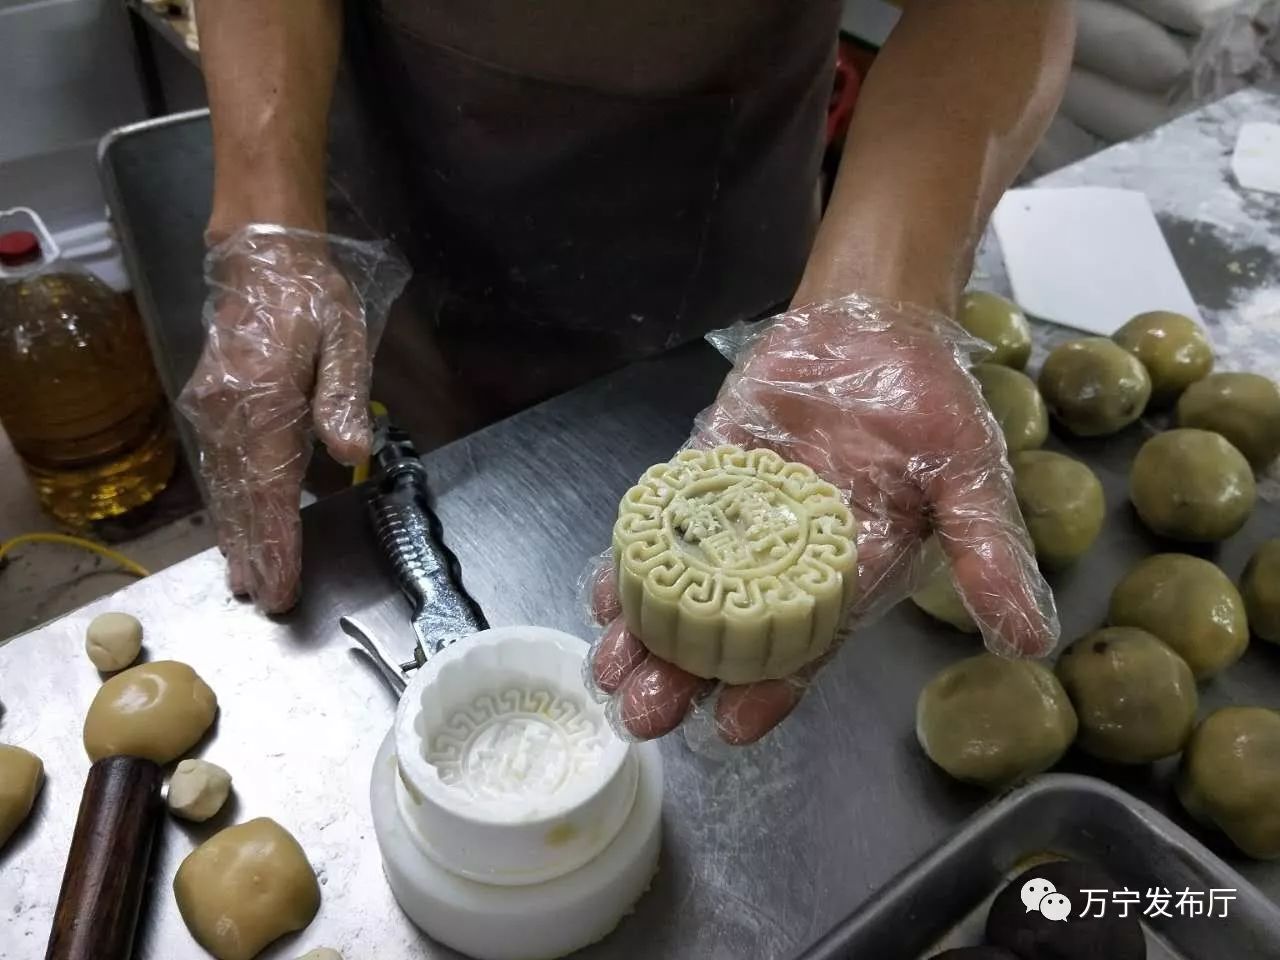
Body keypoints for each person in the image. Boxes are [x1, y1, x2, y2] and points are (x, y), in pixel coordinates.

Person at [181, 0, 1073, 743]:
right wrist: (267, 218)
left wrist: (880, 289)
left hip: (719, 203)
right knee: (413, 457)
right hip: (401, 162)